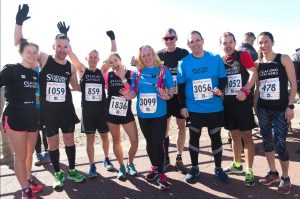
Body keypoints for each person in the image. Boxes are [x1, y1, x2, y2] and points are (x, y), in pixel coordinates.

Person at [14, 5, 86, 189]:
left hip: (66, 109)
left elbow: (75, 86)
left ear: (68, 48)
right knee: (53, 142)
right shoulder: (44, 59)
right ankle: (58, 175)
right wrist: (19, 23)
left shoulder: (69, 66)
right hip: (48, 111)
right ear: (54, 46)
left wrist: (85, 83)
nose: (62, 49)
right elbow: (21, 45)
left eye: (65, 47)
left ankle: (72, 170)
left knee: (69, 140)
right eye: (59, 46)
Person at [59, 22, 115, 178]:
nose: (92, 59)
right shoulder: (82, 70)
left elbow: (112, 57)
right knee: (90, 138)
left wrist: (112, 39)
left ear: (98, 59)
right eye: (90, 57)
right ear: (87, 58)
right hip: (88, 111)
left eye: (95, 57)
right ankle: (92, 166)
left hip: (102, 110)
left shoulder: (101, 70)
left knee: (104, 136)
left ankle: (106, 159)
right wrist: (65, 36)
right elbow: (70, 54)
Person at [0, 4, 43, 199]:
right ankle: (25, 190)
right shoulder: (10, 69)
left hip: (32, 118)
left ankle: (28, 177)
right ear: (22, 52)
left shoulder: (36, 73)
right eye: (29, 52)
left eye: (35, 52)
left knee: (29, 154)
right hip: (15, 117)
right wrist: (18, 23)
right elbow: (18, 40)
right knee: (20, 156)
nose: (33, 55)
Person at [177, 30, 229, 184]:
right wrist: (182, 106)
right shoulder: (183, 62)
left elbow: (223, 79)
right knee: (194, 137)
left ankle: (218, 168)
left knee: (215, 137)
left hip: (214, 106)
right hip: (194, 108)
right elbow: (180, 87)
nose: (195, 43)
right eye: (192, 41)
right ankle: (194, 168)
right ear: (188, 45)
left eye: (197, 40)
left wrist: (220, 89)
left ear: (203, 40)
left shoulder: (215, 58)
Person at [120, 45, 175, 190]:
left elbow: (171, 87)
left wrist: (167, 95)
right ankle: (154, 167)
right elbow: (133, 93)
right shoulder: (138, 74)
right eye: (143, 56)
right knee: (149, 142)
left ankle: (162, 173)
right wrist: (127, 96)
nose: (147, 57)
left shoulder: (163, 70)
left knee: (158, 142)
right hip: (143, 115)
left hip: (159, 115)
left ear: (153, 54)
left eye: (148, 54)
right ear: (140, 58)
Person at [254, 32, 297, 195]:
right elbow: (258, 87)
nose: (263, 45)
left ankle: (286, 178)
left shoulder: (283, 58)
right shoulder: (257, 63)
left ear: (272, 42)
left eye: (266, 41)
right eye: (260, 42)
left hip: (280, 109)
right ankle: (273, 173)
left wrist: (290, 107)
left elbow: (293, 84)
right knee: (267, 142)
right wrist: (255, 106)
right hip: (263, 109)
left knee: (281, 143)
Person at [219, 32, 257, 186]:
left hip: (243, 103)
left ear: (235, 43)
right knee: (234, 136)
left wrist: (246, 90)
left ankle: (249, 170)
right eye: (224, 43)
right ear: (221, 45)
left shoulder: (243, 55)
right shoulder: (221, 61)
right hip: (228, 105)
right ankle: (237, 165)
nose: (228, 45)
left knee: (247, 137)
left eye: (230, 42)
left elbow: (253, 73)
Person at [157, 28, 189, 173]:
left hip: (180, 96)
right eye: (166, 38)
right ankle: (166, 159)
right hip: (166, 97)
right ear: (163, 40)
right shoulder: (159, 55)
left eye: (172, 38)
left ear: (176, 38)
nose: (169, 40)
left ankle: (179, 157)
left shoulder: (183, 53)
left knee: (181, 126)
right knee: (165, 127)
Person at [104, 52, 139, 180]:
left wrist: (123, 78)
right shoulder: (108, 76)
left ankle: (130, 163)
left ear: (120, 59)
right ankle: (122, 166)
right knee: (116, 140)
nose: (114, 63)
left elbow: (132, 93)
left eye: (115, 60)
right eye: (111, 62)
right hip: (111, 112)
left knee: (134, 140)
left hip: (126, 112)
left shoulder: (131, 74)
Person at [34, 65, 50, 166]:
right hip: (32, 107)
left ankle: (47, 152)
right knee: (35, 131)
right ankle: (38, 154)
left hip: (45, 107)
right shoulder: (29, 69)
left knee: (46, 131)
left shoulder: (44, 69)